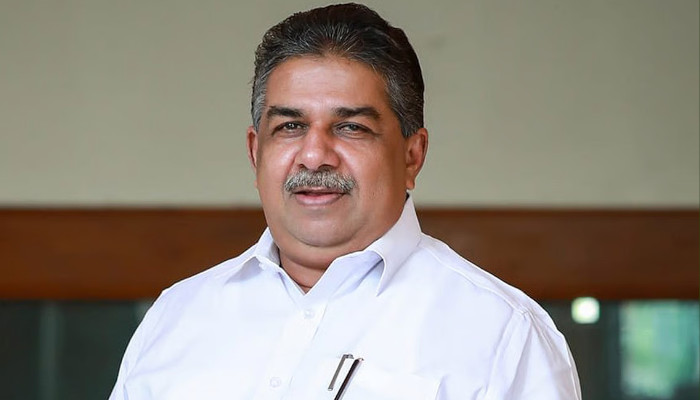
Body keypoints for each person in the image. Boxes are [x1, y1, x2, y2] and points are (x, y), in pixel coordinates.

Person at [109, 3, 581, 399]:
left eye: (351, 127)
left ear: (412, 155)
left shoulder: (505, 335)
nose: (314, 155)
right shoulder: (176, 318)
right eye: (290, 126)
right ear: (256, 153)